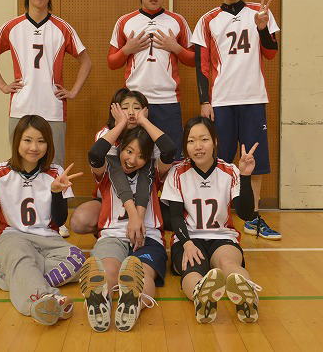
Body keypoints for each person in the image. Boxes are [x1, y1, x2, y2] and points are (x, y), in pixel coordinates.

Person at [0, 0, 92, 237]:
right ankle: (18, 219)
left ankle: (57, 221)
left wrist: (73, 91)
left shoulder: (62, 27)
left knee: (54, 166)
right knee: (19, 163)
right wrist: (3, 86)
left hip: (53, 109)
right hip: (20, 108)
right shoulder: (12, 26)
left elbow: (86, 61)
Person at [0, 115, 86, 326]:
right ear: (17, 141)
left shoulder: (56, 172)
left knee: (78, 260)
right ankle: (42, 300)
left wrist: (56, 192)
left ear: (48, 144)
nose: (34, 147)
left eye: (41, 141)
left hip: (49, 239)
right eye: (28, 140)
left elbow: (60, 220)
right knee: (22, 256)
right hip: (12, 237)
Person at [191, 0, 281, 240]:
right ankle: (218, 216)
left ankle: (253, 217)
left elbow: (271, 52)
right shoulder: (207, 20)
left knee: (254, 159)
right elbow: (201, 65)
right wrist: (205, 100)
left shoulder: (260, 12)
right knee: (219, 160)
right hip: (221, 101)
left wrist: (263, 28)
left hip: (253, 98)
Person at [79, 103, 175, 332]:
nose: (132, 160)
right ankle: (100, 299)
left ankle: (132, 304)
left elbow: (169, 150)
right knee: (108, 270)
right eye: (129, 151)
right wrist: (122, 123)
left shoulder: (154, 171)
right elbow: (95, 153)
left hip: (148, 237)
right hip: (113, 235)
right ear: (119, 148)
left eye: (141, 156)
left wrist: (143, 121)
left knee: (142, 274)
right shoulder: (106, 170)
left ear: (148, 158)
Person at [161, 116, 263, 324]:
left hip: (222, 237)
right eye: (191, 141)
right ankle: (202, 297)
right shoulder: (177, 172)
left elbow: (245, 214)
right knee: (193, 270)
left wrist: (245, 177)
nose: (198, 146)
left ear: (215, 141)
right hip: (188, 238)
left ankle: (247, 297)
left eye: (204, 139)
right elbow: (175, 216)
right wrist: (187, 243)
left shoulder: (230, 171)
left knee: (228, 263)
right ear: (185, 146)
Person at [107, 0, 195, 159]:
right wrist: (127, 50)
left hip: (168, 101)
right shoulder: (125, 21)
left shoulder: (177, 21)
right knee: (135, 156)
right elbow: (111, 62)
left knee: (171, 157)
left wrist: (176, 48)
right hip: (134, 101)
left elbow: (194, 60)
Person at [70, 88, 155, 235]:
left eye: (136, 108)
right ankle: (109, 232)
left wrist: (138, 215)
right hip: (112, 197)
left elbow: (148, 174)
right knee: (80, 221)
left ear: (145, 112)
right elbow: (116, 174)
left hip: (145, 199)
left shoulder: (151, 134)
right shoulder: (105, 134)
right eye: (125, 108)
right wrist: (120, 124)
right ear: (114, 111)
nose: (131, 112)